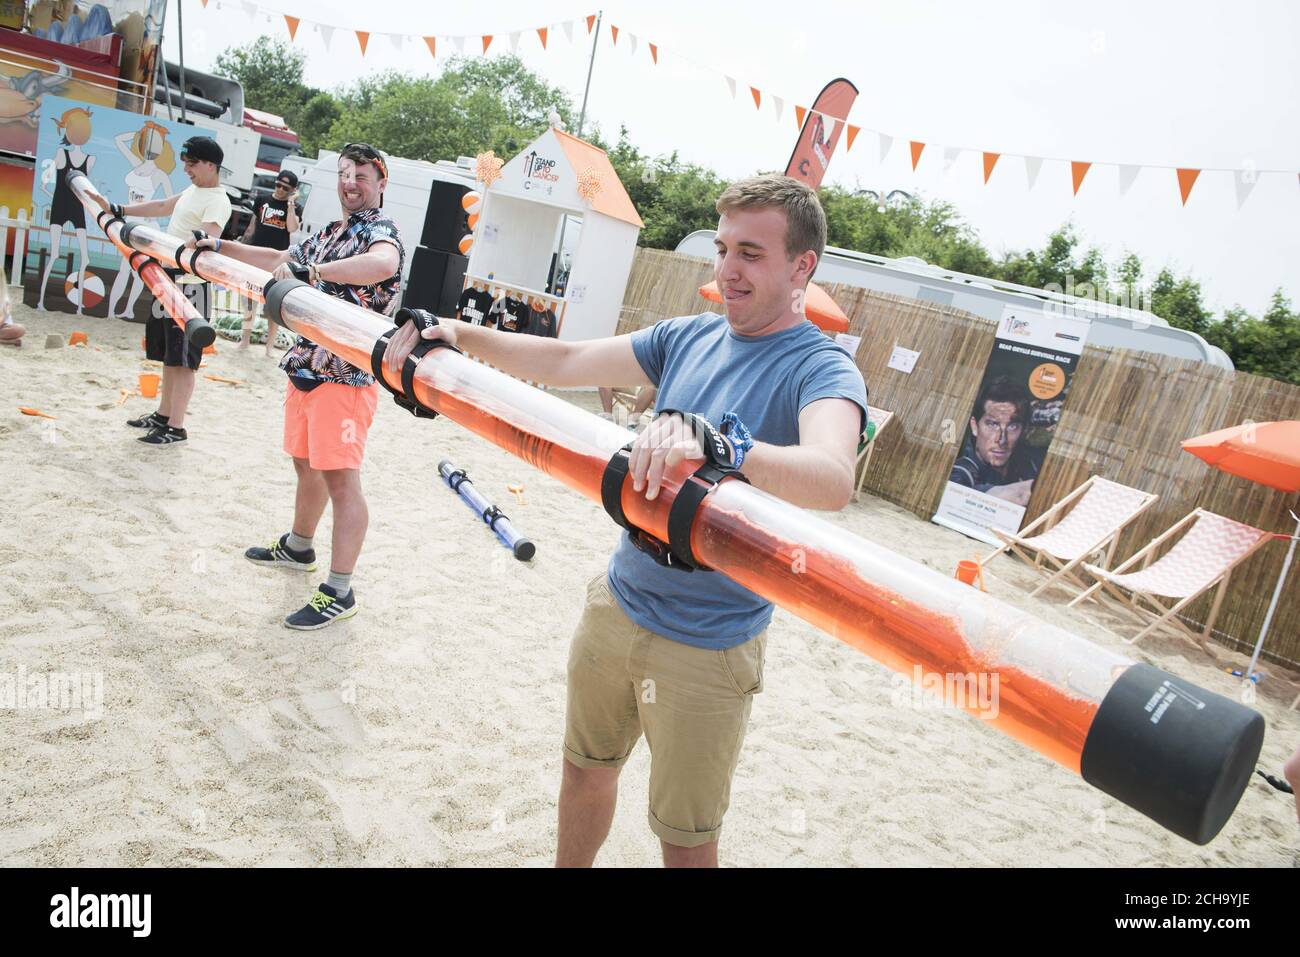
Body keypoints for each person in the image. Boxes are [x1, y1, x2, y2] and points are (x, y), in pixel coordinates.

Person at [386, 173, 867, 867]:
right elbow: (569, 359)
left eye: (751, 255)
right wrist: (454, 331)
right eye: (724, 248)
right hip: (619, 600)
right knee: (584, 770)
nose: (728, 269)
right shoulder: (688, 336)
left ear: (802, 266)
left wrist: (722, 443)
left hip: (710, 640)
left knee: (685, 837)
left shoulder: (819, 367)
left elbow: (832, 478)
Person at [186, 143, 403, 631]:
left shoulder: (381, 231)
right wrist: (219, 247)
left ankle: (339, 590)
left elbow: (384, 264)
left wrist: (315, 273)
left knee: (342, 480)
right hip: (305, 365)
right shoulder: (330, 231)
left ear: (381, 183)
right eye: (345, 173)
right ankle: (299, 545)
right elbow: (276, 257)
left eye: (362, 175)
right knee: (305, 464)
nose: (351, 182)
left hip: (344, 374)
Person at [91, 135, 231, 447]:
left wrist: (197, 239)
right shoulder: (193, 190)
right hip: (167, 281)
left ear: (211, 165)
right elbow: (164, 205)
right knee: (168, 354)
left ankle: (177, 426)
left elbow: (209, 238)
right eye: (185, 163)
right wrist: (118, 208)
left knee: (184, 360)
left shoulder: (219, 200)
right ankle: (163, 415)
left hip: (190, 289)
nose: (187, 169)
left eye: (192, 163)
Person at [106, 122, 176, 319]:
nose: (150, 148)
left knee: (140, 271)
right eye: (148, 143)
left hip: (146, 227)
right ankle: (113, 310)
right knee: (124, 269)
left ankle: (128, 309)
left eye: (155, 145)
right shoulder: (137, 165)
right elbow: (119, 140)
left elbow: (169, 203)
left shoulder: (160, 174)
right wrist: (141, 131)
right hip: (129, 223)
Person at [949, 375, 1043, 506]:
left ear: (1024, 430)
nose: (1001, 439)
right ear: (975, 426)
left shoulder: (1032, 464)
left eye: (1012, 426)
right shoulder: (960, 471)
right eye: (992, 424)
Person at [237, 169, 300, 355]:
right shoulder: (262, 200)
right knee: (249, 301)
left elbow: (292, 227)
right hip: (256, 255)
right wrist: (243, 246)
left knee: (273, 304)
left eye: (285, 187)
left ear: (292, 190)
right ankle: (245, 339)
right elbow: (252, 226)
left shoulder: (295, 207)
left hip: (277, 260)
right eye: (278, 185)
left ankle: (269, 347)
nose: (280, 189)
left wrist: (290, 204)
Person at [39, 107, 95, 314]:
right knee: (55, 254)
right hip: (62, 205)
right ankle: (42, 301)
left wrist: (46, 188)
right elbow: (46, 180)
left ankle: (79, 306)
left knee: (84, 256)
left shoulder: (90, 160)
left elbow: (45, 182)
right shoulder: (62, 154)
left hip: (74, 205)